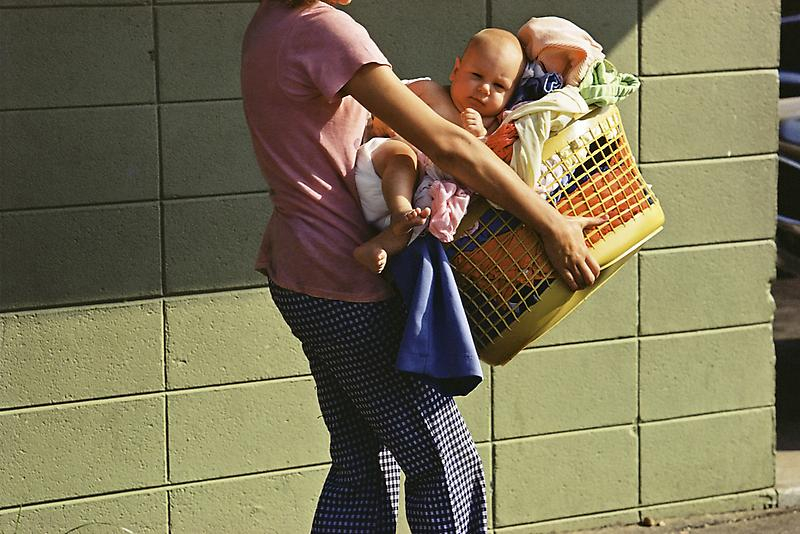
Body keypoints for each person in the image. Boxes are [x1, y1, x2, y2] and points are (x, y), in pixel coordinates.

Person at [240, 1, 605, 532]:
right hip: (346, 281)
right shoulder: (323, 29)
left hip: (298, 271)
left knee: (364, 468)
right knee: (445, 465)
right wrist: (552, 223)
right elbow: (449, 145)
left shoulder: (269, 23)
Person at [352, 28, 526, 273]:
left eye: (499, 86)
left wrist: (480, 138)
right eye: (477, 75)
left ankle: (381, 244)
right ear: (456, 70)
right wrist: (382, 120)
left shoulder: (494, 126)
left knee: (420, 221)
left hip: (420, 201)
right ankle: (400, 211)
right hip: (382, 176)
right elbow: (382, 104)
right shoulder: (428, 91)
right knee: (402, 155)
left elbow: (487, 168)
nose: (485, 89)